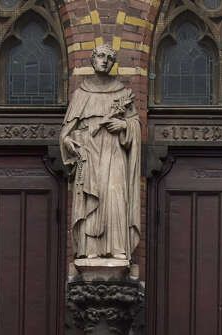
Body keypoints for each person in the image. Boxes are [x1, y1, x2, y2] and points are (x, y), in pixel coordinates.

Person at [60, 43, 141, 260]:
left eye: (109, 58)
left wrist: (124, 126)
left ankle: (116, 248)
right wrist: (70, 143)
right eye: (100, 56)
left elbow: (135, 126)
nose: (104, 60)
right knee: (90, 197)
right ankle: (91, 250)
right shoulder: (81, 94)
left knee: (115, 193)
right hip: (89, 150)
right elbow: (66, 133)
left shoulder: (124, 94)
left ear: (113, 63)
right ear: (92, 60)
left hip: (114, 149)